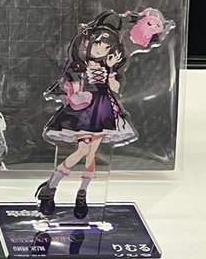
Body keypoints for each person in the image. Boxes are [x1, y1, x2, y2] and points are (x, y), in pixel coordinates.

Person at [37, 11, 135, 219]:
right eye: (97, 43)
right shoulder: (78, 67)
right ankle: (51, 186)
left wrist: (110, 70)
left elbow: (115, 89)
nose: (100, 48)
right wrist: (77, 91)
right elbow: (72, 91)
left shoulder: (108, 68)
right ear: (88, 42)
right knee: (83, 149)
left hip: (103, 112)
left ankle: (81, 194)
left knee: (91, 155)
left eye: (106, 47)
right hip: (82, 112)